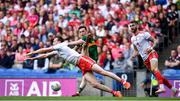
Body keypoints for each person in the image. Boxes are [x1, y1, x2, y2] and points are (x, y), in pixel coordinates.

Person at [26, 37, 131, 97]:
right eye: (53, 41)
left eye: (55, 41)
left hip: (83, 60)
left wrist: (33, 52)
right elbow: (45, 55)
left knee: (103, 72)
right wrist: (33, 58)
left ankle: (123, 82)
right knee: (94, 84)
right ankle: (115, 92)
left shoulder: (60, 45)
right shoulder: (57, 50)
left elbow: (45, 50)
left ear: (58, 41)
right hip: (80, 66)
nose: (53, 42)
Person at [129, 21, 178, 96]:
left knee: (155, 69)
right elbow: (136, 50)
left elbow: (155, 40)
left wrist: (151, 48)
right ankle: (174, 89)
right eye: (130, 26)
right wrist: (133, 56)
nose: (131, 27)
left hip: (151, 53)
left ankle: (162, 88)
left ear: (137, 25)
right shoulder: (132, 39)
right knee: (158, 76)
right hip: (145, 59)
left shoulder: (144, 34)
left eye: (132, 25)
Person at [68, 26, 99, 96]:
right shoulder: (83, 40)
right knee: (85, 77)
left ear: (86, 31)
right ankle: (78, 92)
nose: (82, 33)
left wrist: (65, 45)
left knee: (91, 80)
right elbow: (74, 48)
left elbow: (75, 45)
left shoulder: (85, 38)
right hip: (89, 61)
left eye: (83, 31)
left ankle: (112, 91)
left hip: (91, 61)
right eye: (80, 32)